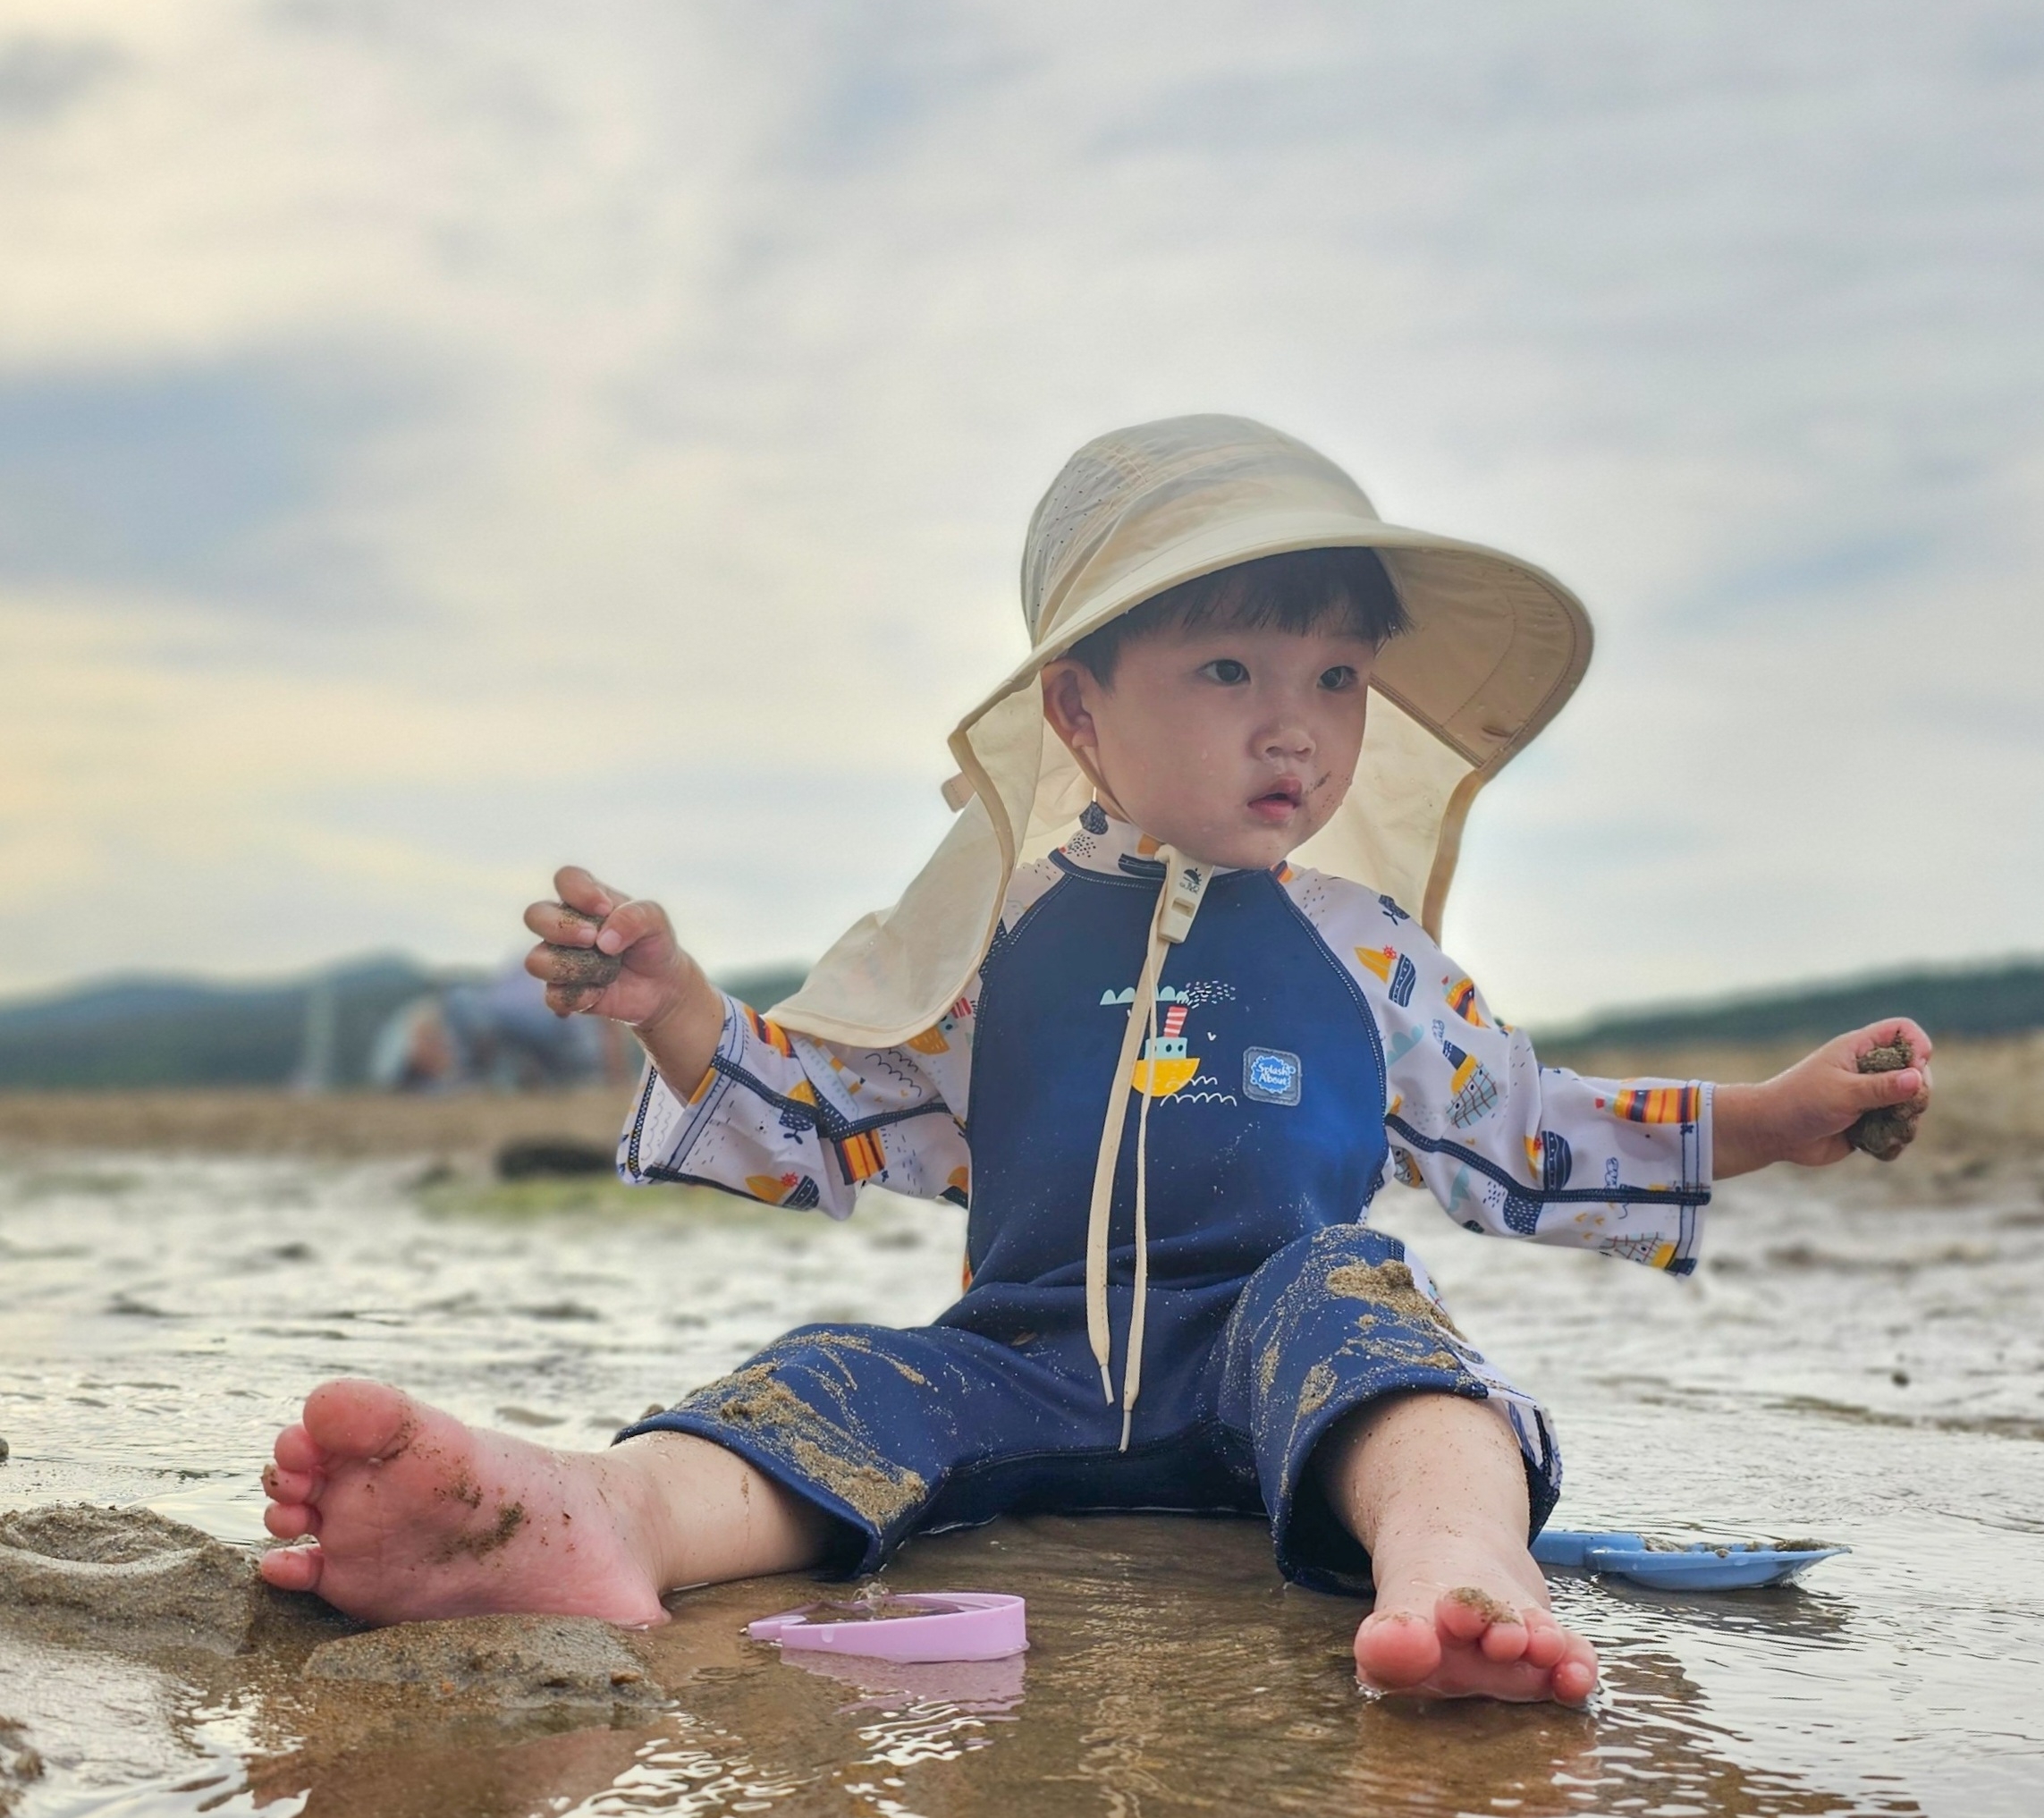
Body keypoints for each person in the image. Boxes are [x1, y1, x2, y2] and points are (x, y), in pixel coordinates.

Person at [258, 417, 1930, 1704]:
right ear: (1077, 712)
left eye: (1336, 678)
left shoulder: (1368, 957)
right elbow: (826, 1122)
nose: (1297, 725)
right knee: (829, 1375)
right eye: (1230, 669)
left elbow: (1544, 1137)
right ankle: (587, 1520)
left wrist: (1782, 1117)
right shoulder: (996, 941)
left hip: (1287, 1380)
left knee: (1377, 1312)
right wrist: (678, 1005)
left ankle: (1458, 1568)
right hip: (1022, 1365)